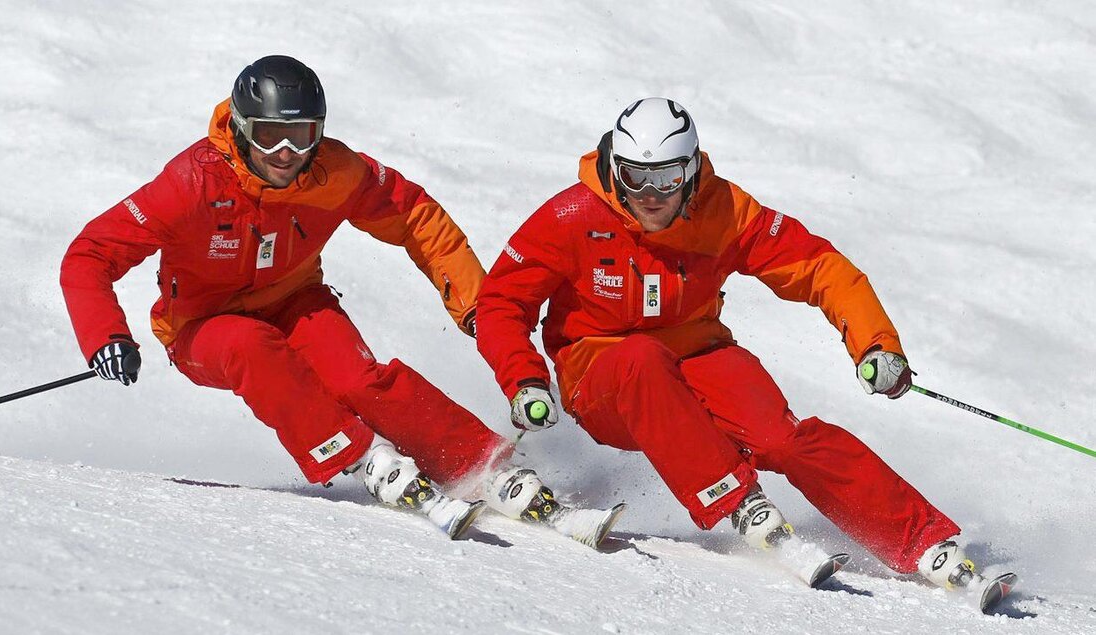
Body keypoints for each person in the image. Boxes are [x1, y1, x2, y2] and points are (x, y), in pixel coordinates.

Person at [60, 55, 617, 544]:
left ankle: (485, 465)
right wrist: (106, 337)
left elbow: (417, 220)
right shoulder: (191, 185)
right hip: (203, 328)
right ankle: (361, 457)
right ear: (239, 128)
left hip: (295, 300)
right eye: (268, 135)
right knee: (249, 344)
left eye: (301, 135)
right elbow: (88, 256)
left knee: (359, 379)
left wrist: (475, 304)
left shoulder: (334, 172)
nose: (285, 153)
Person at [476, 97, 995, 590]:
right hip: (603, 375)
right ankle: (737, 499)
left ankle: (923, 541)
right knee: (639, 356)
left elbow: (816, 266)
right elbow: (501, 302)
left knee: (781, 438)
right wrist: (523, 379)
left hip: (697, 354)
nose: (650, 195)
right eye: (635, 177)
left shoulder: (722, 210)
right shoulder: (572, 217)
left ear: (692, 172)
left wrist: (875, 345)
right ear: (615, 167)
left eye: (667, 178)